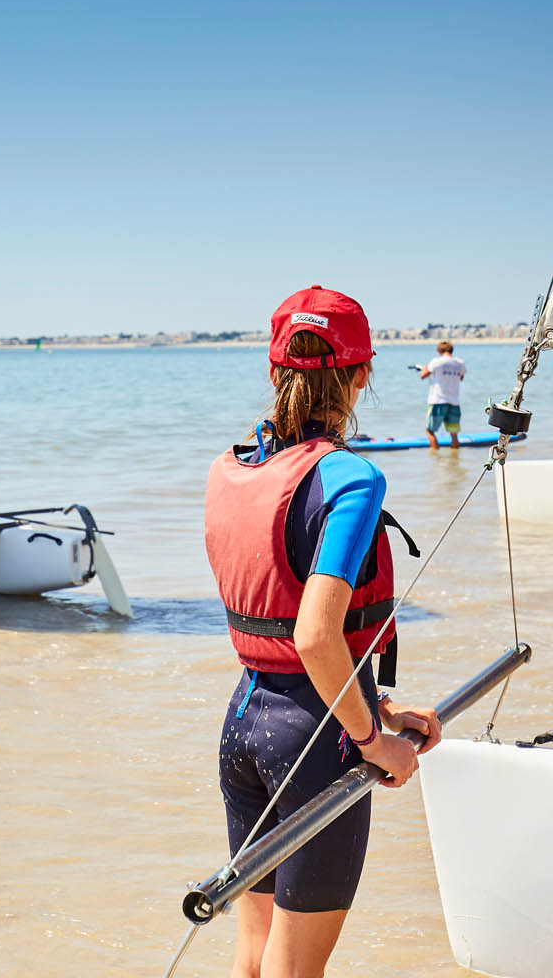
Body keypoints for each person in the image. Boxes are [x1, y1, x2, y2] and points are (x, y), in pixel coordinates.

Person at [208, 286, 442, 977]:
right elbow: (314, 637)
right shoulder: (351, 478)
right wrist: (374, 740)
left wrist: (383, 708)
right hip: (317, 742)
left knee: (252, 961)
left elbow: (284, 643)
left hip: (244, 727)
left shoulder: (231, 467)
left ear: (274, 371)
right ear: (363, 373)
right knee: (294, 972)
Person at [419, 340, 466, 450]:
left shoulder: (436, 361)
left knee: (429, 431)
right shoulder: (460, 363)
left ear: (439, 350)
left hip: (438, 401)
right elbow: (461, 377)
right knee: (453, 434)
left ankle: (436, 458)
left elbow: (423, 376)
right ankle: (454, 460)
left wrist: (425, 368)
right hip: (454, 401)